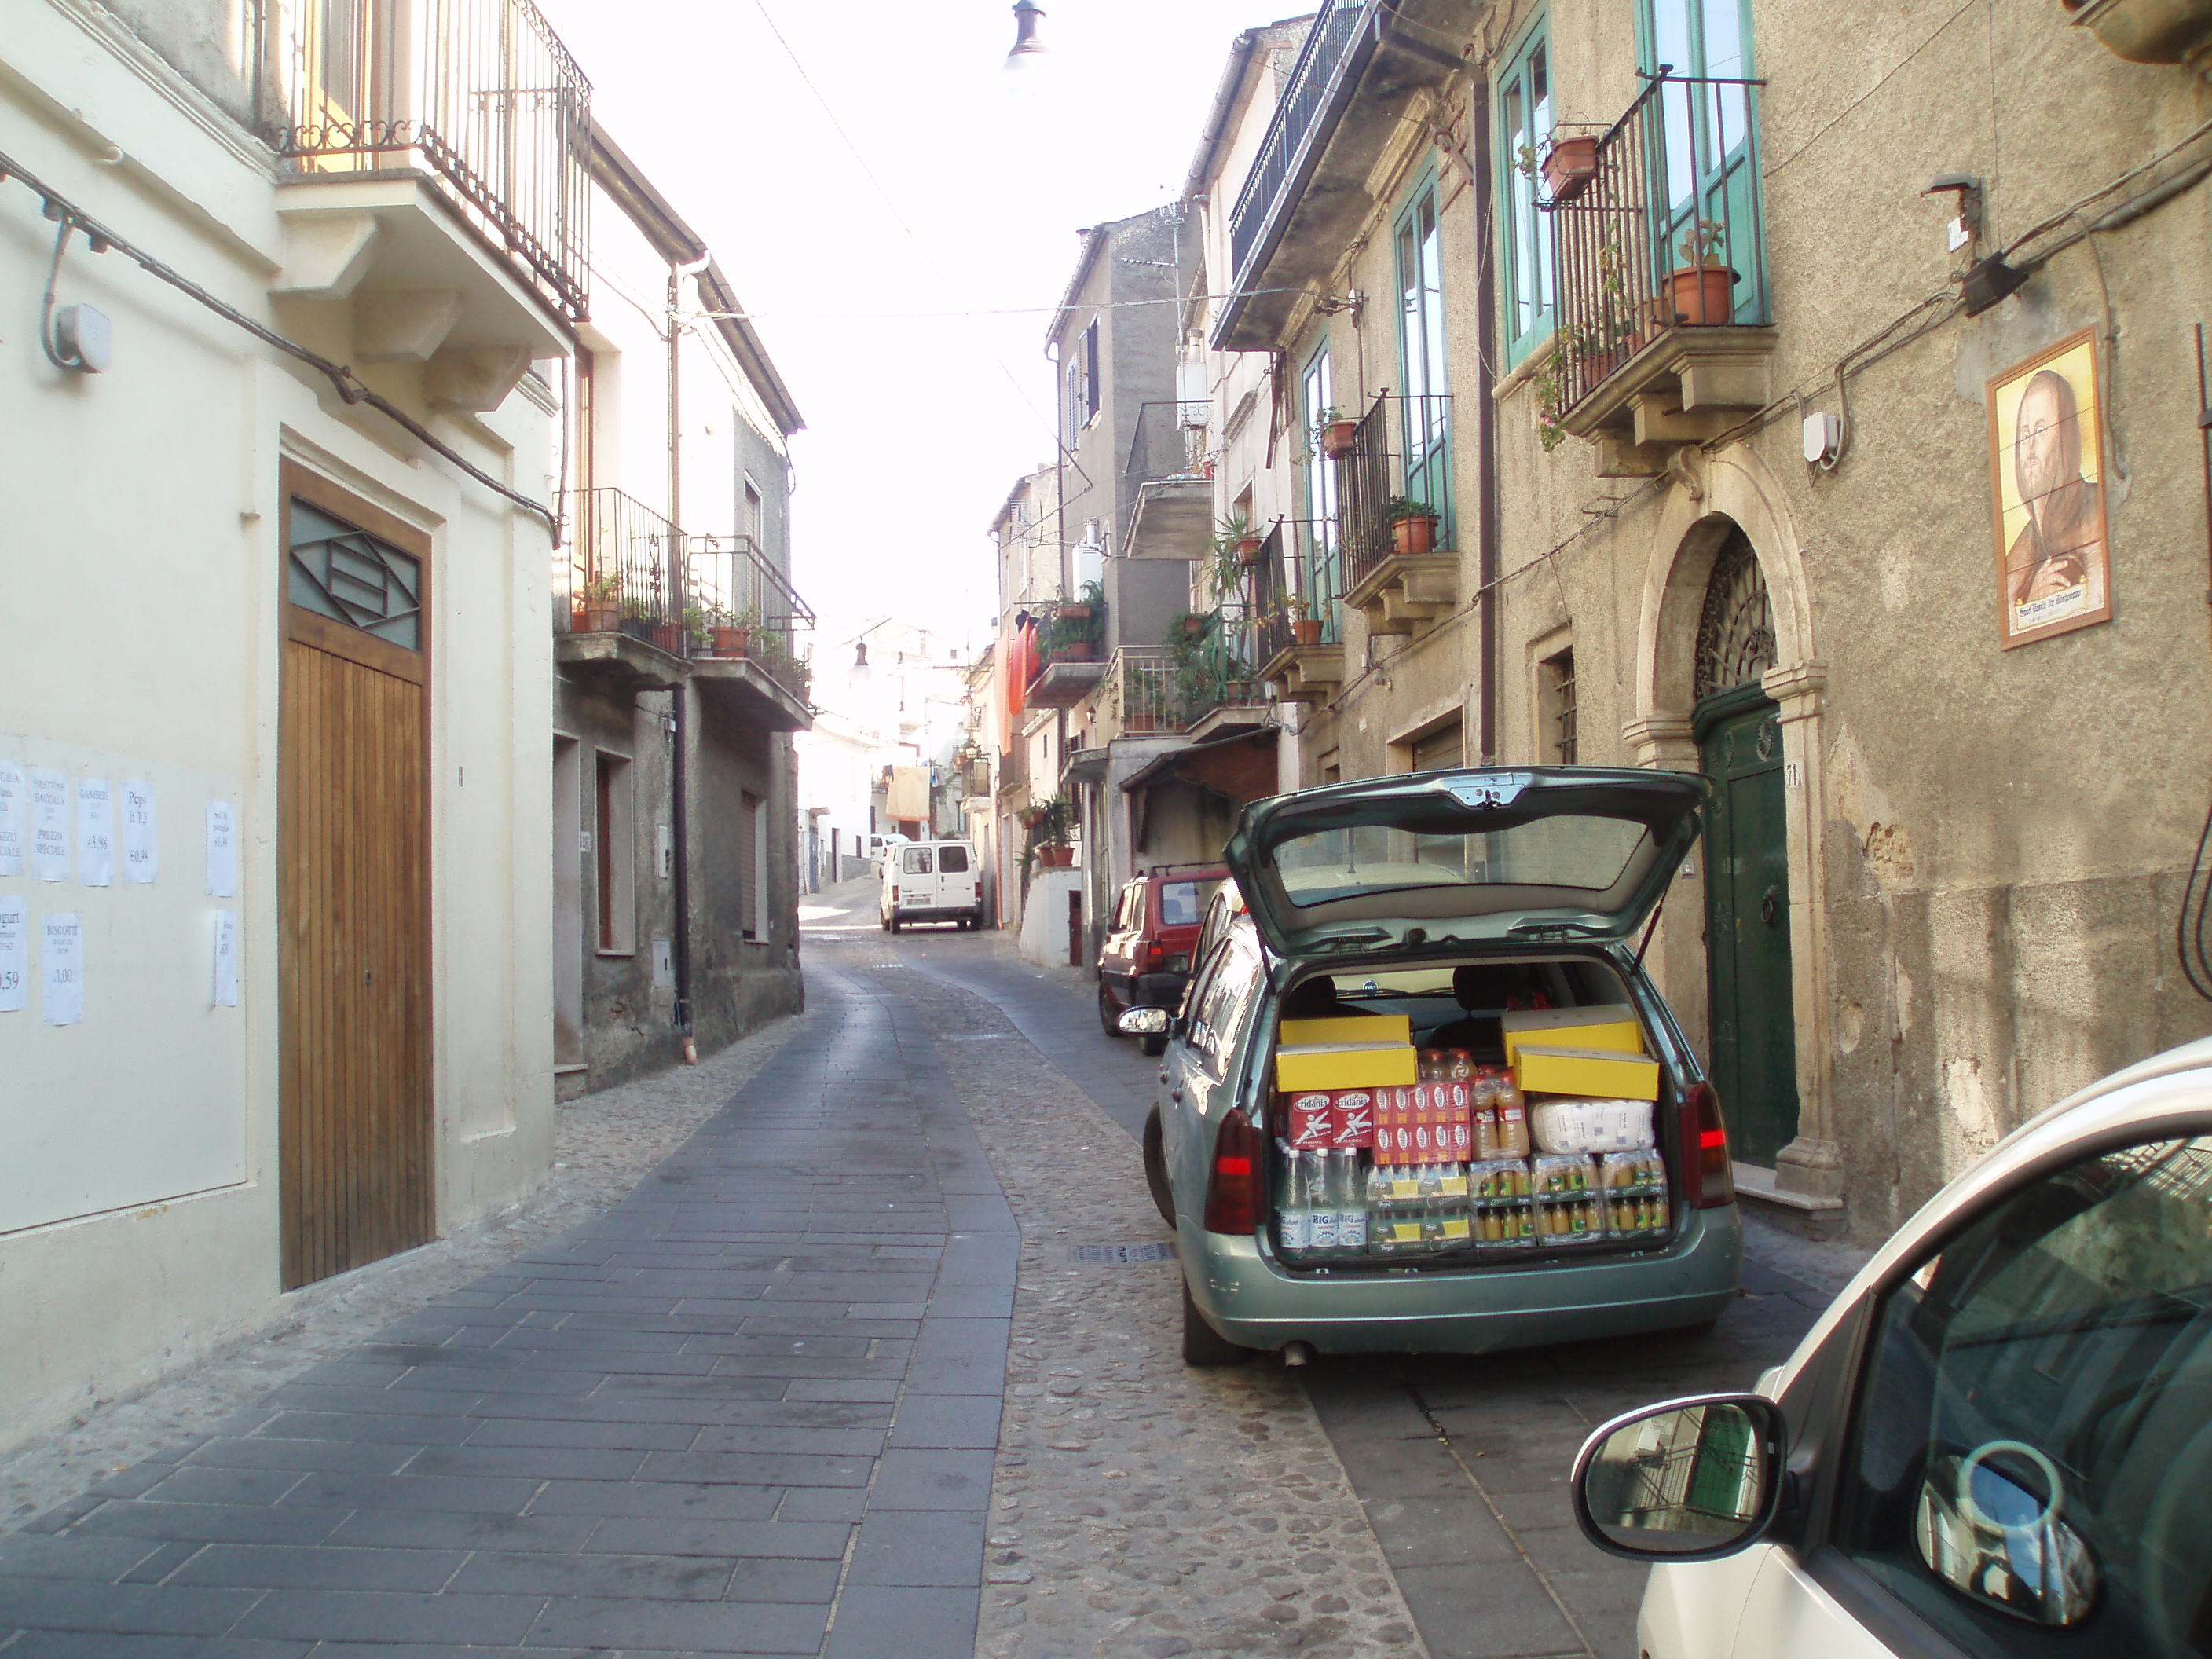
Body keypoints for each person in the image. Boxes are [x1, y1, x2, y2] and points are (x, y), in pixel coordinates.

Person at [2004, 368, 2104, 623]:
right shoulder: (2019, 554)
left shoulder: (2098, 510)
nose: (2029, 449)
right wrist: (2034, 600)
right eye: (2024, 436)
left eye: (2040, 432)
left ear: (2064, 438)